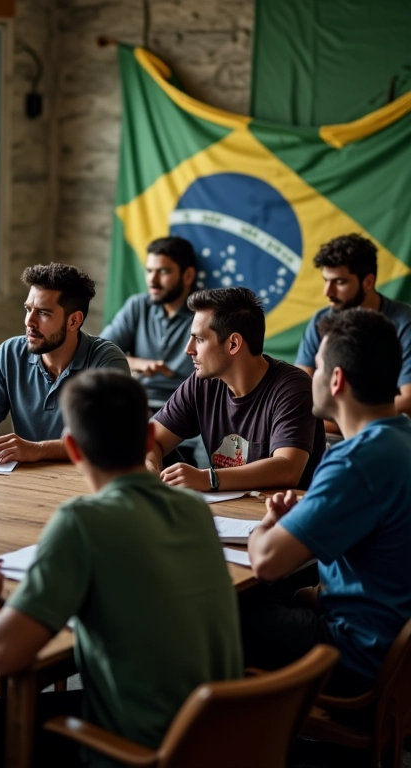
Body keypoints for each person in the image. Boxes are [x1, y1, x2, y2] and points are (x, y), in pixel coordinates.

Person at [0, 369, 242, 766]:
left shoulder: (82, 521)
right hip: (219, 737)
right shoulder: (193, 509)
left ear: (73, 449)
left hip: (143, 751)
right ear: (147, 439)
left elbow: (4, 654)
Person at [244, 308, 411, 694]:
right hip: (395, 649)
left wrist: (269, 524)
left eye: (316, 367)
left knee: (223, 611)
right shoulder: (400, 439)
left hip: (356, 654)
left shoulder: (354, 459)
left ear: (336, 379)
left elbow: (266, 561)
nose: (311, 377)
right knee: (287, 593)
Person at [147, 287, 325, 491]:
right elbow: (151, 438)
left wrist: (208, 478)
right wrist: (151, 473)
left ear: (233, 344)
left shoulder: (294, 388)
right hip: (227, 514)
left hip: (283, 517)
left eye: (199, 339)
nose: (189, 349)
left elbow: (288, 469)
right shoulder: (202, 382)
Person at [0, 263, 130, 463]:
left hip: (84, 478)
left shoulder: (106, 361)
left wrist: (38, 450)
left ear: (74, 321)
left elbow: (106, 439)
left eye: (43, 313)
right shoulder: (9, 352)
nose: (29, 321)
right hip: (25, 479)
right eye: (28, 309)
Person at [295, 233, 411, 422]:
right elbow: (299, 391)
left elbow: (409, 400)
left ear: (368, 282)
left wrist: (346, 420)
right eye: (326, 280)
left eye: (340, 282)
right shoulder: (321, 319)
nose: (328, 292)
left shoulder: (405, 322)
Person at [100, 236, 197, 408]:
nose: (153, 280)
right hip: (135, 404)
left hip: (187, 409)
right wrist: (138, 363)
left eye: (163, 272)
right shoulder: (138, 305)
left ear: (188, 275)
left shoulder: (206, 314)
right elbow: (99, 353)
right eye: (149, 271)